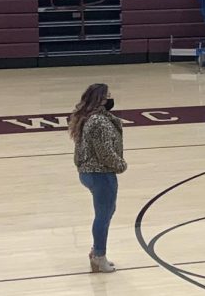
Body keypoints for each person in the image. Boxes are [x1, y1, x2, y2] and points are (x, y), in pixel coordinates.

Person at [70, 83, 126, 273]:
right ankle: (99, 256)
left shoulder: (88, 118)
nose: (111, 99)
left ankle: (97, 252)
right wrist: (120, 164)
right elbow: (104, 152)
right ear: (101, 99)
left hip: (90, 171)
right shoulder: (99, 122)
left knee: (107, 212)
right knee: (103, 215)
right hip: (100, 173)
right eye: (108, 96)